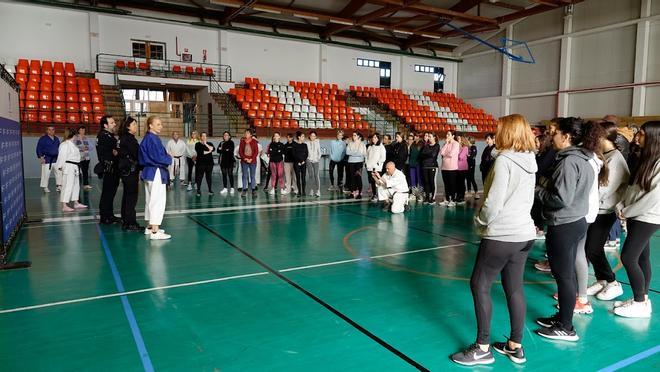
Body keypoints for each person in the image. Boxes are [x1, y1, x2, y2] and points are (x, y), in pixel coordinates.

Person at [450, 114, 537, 366]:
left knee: (479, 284)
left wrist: (480, 220)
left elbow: (493, 203)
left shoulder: (504, 162)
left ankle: (482, 347)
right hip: (524, 234)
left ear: (508, 133)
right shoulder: (530, 160)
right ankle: (515, 346)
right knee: (515, 288)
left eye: (499, 129)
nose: (496, 133)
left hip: (503, 234)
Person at [534, 117, 597, 341]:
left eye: (556, 133)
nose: (553, 137)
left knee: (564, 277)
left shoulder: (570, 162)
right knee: (565, 275)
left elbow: (560, 198)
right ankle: (562, 317)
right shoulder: (584, 159)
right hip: (575, 221)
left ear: (567, 136)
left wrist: (537, 191)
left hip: (564, 223)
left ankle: (566, 326)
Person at [615, 121, 659, 318]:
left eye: (640, 134)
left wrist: (628, 211)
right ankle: (642, 298)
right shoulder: (646, 158)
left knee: (628, 257)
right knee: (641, 257)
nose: (636, 137)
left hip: (647, 216)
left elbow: (653, 197)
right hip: (636, 214)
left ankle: (640, 302)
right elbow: (634, 188)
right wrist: (622, 205)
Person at [585, 121, 629, 302]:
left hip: (604, 211)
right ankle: (602, 279)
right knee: (591, 248)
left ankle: (612, 282)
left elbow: (604, 189)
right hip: (597, 209)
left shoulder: (615, 158)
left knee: (593, 248)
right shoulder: (606, 155)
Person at [139, 116, 172, 240]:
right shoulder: (152, 139)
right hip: (155, 171)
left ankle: (150, 227)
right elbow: (158, 157)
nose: (161, 126)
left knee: (150, 199)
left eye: (161, 124)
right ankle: (155, 231)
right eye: (158, 124)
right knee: (157, 201)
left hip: (148, 172)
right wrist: (169, 158)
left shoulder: (149, 138)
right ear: (150, 126)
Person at [117, 117, 141, 231]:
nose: (136, 126)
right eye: (134, 124)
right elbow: (137, 155)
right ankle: (130, 222)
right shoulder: (129, 139)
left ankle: (126, 221)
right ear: (128, 127)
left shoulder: (123, 138)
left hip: (126, 171)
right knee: (131, 197)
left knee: (127, 196)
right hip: (130, 171)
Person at [54, 128, 87, 212]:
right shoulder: (65, 145)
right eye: (77, 135)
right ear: (74, 135)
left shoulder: (73, 144)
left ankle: (76, 202)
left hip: (75, 167)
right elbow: (61, 158)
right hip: (68, 167)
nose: (77, 137)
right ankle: (64, 205)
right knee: (67, 186)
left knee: (76, 185)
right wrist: (60, 169)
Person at [97, 115, 122, 225]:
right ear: (105, 125)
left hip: (113, 168)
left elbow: (116, 150)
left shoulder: (109, 136)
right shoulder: (104, 136)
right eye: (111, 123)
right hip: (109, 168)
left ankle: (109, 215)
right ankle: (105, 217)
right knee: (107, 193)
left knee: (111, 193)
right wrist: (116, 151)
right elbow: (115, 151)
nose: (114, 124)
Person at [36, 126, 61, 193]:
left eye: (52, 129)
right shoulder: (43, 139)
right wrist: (41, 157)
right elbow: (39, 148)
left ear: (54, 130)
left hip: (56, 158)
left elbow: (59, 148)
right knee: (45, 174)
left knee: (59, 173)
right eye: (49, 130)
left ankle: (58, 186)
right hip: (47, 158)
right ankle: (45, 187)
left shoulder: (56, 138)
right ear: (47, 131)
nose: (51, 131)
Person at [419, 133, 440, 205]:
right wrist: (428, 154)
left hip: (432, 166)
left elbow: (433, 155)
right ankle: (427, 197)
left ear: (434, 137)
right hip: (425, 166)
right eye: (428, 137)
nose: (428, 138)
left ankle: (433, 198)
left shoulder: (437, 145)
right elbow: (421, 155)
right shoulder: (426, 146)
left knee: (432, 182)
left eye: (430, 137)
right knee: (426, 182)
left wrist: (427, 154)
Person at [440, 130, 460, 206]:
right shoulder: (446, 143)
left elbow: (451, 154)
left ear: (453, 136)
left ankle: (453, 200)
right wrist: (446, 144)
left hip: (452, 168)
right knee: (446, 184)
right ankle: (447, 199)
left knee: (452, 184)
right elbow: (441, 152)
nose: (447, 136)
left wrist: (445, 154)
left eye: (448, 134)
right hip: (444, 167)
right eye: (447, 134)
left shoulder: (456, 144)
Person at [366, 133, 386, 202]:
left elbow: (383, 158)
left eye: (375, 137)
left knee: (377, 182)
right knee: (371, 182)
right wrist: (367, 163)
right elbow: (367, 156)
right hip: (369, 167)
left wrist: (377, 164)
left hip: (377, 168)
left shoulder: (381, 147)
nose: (373, 138)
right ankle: (374, 194)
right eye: (373, 137)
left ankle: (380, 195)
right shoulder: (370, 146)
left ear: (378, 138)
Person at [346, 132, 367, 199]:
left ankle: (360, 193)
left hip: (359, 163)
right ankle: (352, 192)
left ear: (358, 136)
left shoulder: (362, 144)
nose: (353, 136)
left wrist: (353, 153)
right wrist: (356, 152)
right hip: (351, 162)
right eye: (353, 135)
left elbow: (362, 153)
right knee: (351, 178)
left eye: (355, 135)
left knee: (358, 177)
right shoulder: (350, 143)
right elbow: (347, 152)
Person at [239, 129, 259, 198]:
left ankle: (253, 190)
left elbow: (256, 152)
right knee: (244, 175)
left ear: (250, 135)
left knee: (252, 176)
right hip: (244, 161)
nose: (246, 134)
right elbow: (240, 152)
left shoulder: (254, 142)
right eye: (245, 133)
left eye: (247, 133)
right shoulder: (242, 141)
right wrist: (245, 158)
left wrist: (251, 159)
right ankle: (244, 190)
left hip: (252, 161)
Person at [195, 132, 215, 197]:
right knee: (199, 177)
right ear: (200, 137)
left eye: (205, 136)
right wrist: (209, 151)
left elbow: (213, 149)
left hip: (209, 163)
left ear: (206, 137)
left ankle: (210, 189)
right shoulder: (197, 144)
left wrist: (206, 144)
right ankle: (198, 190)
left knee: (209, 177)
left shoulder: (210, 143)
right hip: (200, 163)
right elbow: (201, 152)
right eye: (202, 136)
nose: (204, 137)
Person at [74, 126, 93, 190]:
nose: (83, 131)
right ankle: (77, 185)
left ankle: (86, 184)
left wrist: (87, 147)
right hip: (78, 158)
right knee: (77, 172)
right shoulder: (75, 138)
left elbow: (91, 147)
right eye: (81, 130)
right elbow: (73, 147)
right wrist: (81, 148)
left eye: (84, 130)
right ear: (78, 131)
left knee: (85, 172)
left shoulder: (86, 138)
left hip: (86, 158)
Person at [292, 131, 309, 197]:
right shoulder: (294, 145)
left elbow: (306, 154)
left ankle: (304, 191)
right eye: (302, 136)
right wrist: (299, 161)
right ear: (299, 137)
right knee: (298, 178)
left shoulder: (305, 145)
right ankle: (299, 191)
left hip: (303, 163)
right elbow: (294, 154)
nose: (304, 138)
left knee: (303, 178)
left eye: (304, 136)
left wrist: (303, 161)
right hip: (297, 163)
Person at [407, 134, 422, 202]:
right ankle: (413, 194)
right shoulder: (411, 146)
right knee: (413, 180)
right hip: (411, 164)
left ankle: (420, 195)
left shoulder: (421, 145)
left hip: (418, 164)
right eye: (409, 139)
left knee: (419, 180)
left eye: (416, 136)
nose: (415, 138)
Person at [307, 131, 322, 197]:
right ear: (309, 136)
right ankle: (311, 190)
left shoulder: (317, 142)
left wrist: (318, 158)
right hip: (309, 160)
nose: (312, 137)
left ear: (315, 137)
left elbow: (319, 152)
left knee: (316, 175)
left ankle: (318, 190)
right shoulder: (306, 143)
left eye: (314, 136)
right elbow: (306, 152)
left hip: (316, 160)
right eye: (311, 135)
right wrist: (307, 158)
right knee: (310, 175)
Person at [456, 134, 469, 204]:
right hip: (456, 167)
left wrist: (457, 148)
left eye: (459, 138)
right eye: (457, 138)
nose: (458, 140)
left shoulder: (465, 147)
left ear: (462, 140)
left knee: (461, 183)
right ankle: (458, 195)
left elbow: (460, 157)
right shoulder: (457, 147)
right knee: (457, 183)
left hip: (463, 168)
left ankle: (462, 197)